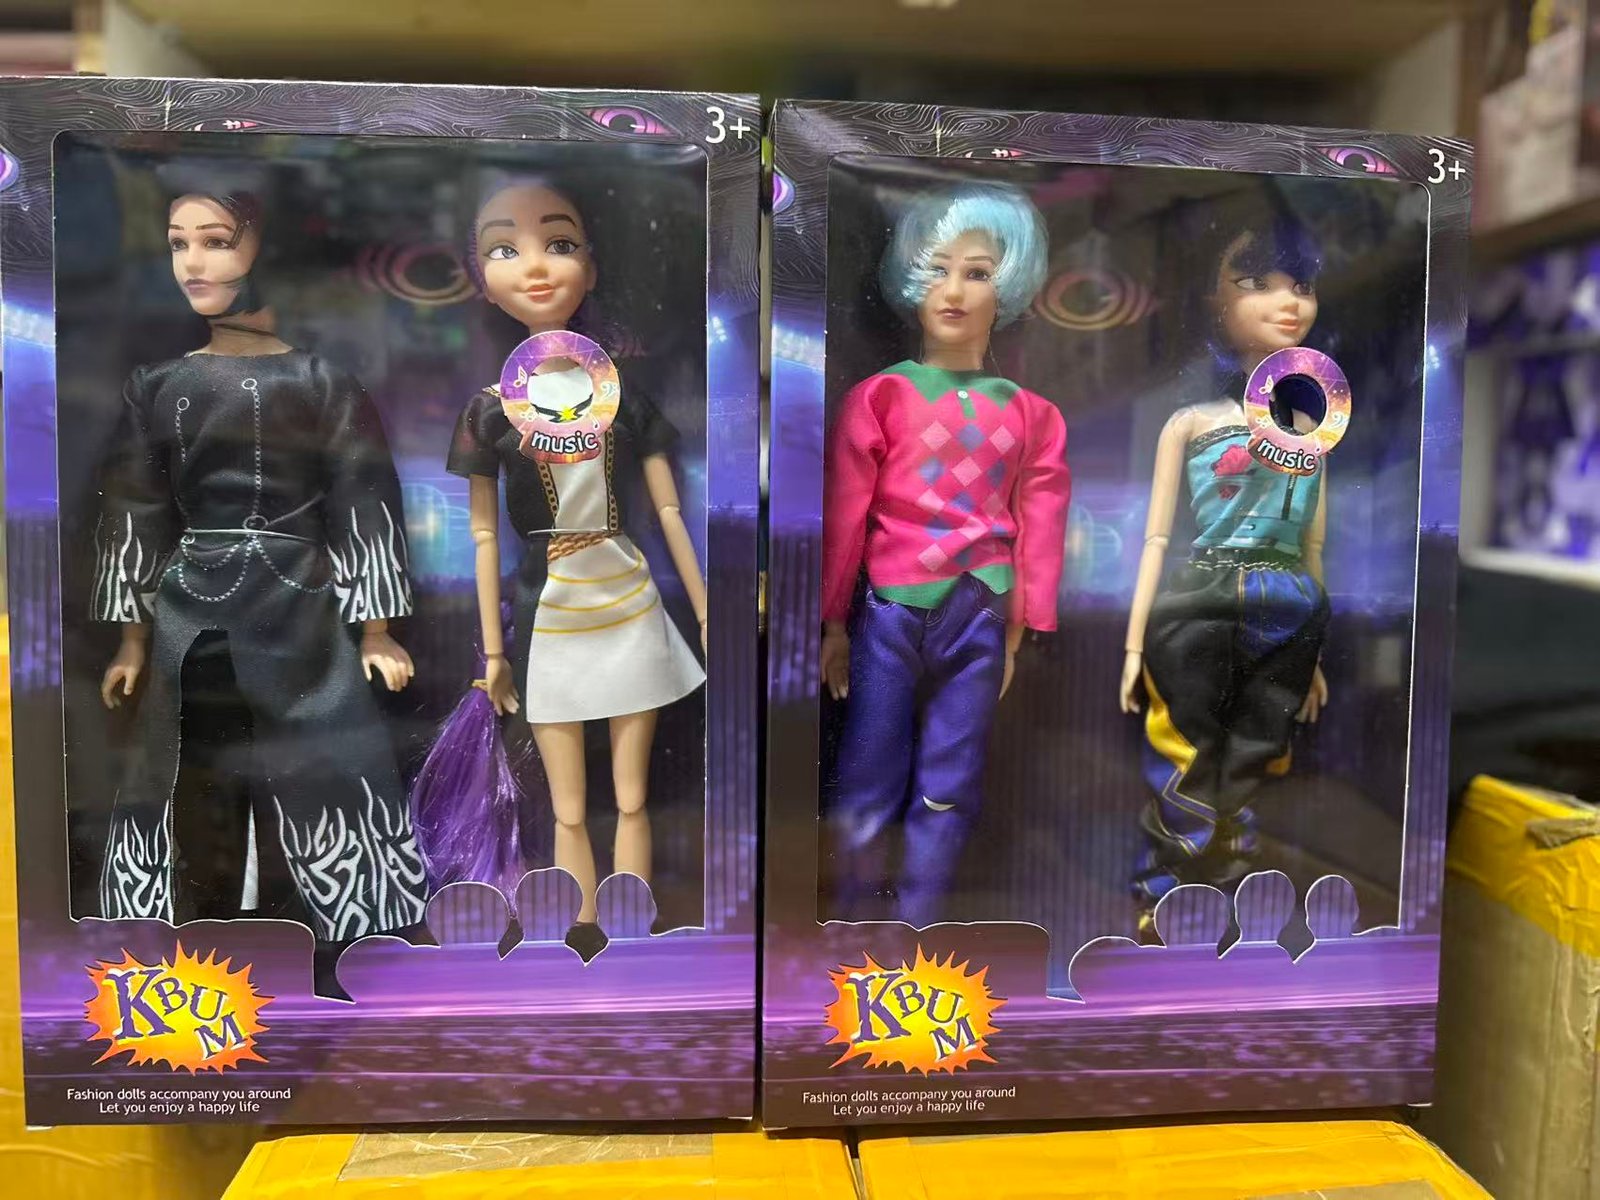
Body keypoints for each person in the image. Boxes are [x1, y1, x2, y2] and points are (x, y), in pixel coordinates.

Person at [94, 185, 428, 978]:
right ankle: (191, 930)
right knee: (189, 766)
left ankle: (343, 936)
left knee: (321, 762)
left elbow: (363, 498)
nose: (192, 262)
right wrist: (132, 639)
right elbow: (136, 508)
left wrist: (376, 628)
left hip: (299, 607)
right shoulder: (155, 385)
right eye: (178, 243)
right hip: (190, 613)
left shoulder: (322, 382)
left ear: (265, 249)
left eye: (216, 240)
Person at [438, 179, 706, 959]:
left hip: (627, 598)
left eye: (558, 244)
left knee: (632, 795)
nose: (535, 266)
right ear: (480, 279)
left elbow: (670, 512)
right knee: (566, 804)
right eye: (503, 249)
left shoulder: (621, 393)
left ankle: (636, 934)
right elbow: (483, 538)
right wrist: (493, 655)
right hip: (550, 609)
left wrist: (707, 608)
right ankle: (578, 938)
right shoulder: (489, 410)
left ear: (590, 265)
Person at [822, 183, 1071, 927]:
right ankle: (853, 922)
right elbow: (846, 517)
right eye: (938, 269)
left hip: (980, 613)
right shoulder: (881, 397)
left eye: (978, 272)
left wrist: (1022, 626)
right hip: (890, 610)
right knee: (867, 771)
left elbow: (1042, 521)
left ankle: (922, 923)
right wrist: (832, 623)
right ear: (910, 278)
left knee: (949, 783)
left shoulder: (1031, 412)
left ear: (1010, 284)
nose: (955, 290)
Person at [1118, 195, 1332, 936]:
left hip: (1289, 603)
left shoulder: (1314, 431)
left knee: (1257, 748)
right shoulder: (1191, 423)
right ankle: (1162, 889)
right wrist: (1135, 645)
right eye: (1257, 283)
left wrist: (1315, 649)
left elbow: (1312, 544)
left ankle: (1231, 884)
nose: (1288, 302)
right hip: (1201, 592)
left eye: (1301, 285)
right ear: (1212, 301)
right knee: (1184, 745)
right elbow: (1154, 538)